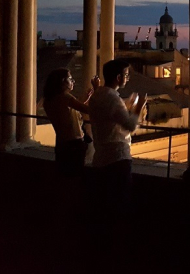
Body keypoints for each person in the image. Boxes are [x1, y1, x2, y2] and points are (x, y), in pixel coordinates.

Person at [87, 59, 147, 249]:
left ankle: (103, 244)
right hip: (117, 157)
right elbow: (130, 125)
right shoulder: (112, 98)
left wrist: (126, 106)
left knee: (105, 204)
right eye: (126, 75)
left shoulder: (98, 95)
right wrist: (139, 106)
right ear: (119, 77)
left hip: (101, 156)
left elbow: (111, 119)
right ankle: (118, 244)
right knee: (120, 202)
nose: (128, 78)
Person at [42, 68, 99, 177]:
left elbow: (68, 110)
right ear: (63, 81)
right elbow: (88, 110)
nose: (73, 81)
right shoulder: (65, 97)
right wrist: (97, 91)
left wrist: (86, 99)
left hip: (61, 142)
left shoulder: (50, 99)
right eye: (70, 79)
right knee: (75, 175)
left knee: (64, 175)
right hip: (74, 144)